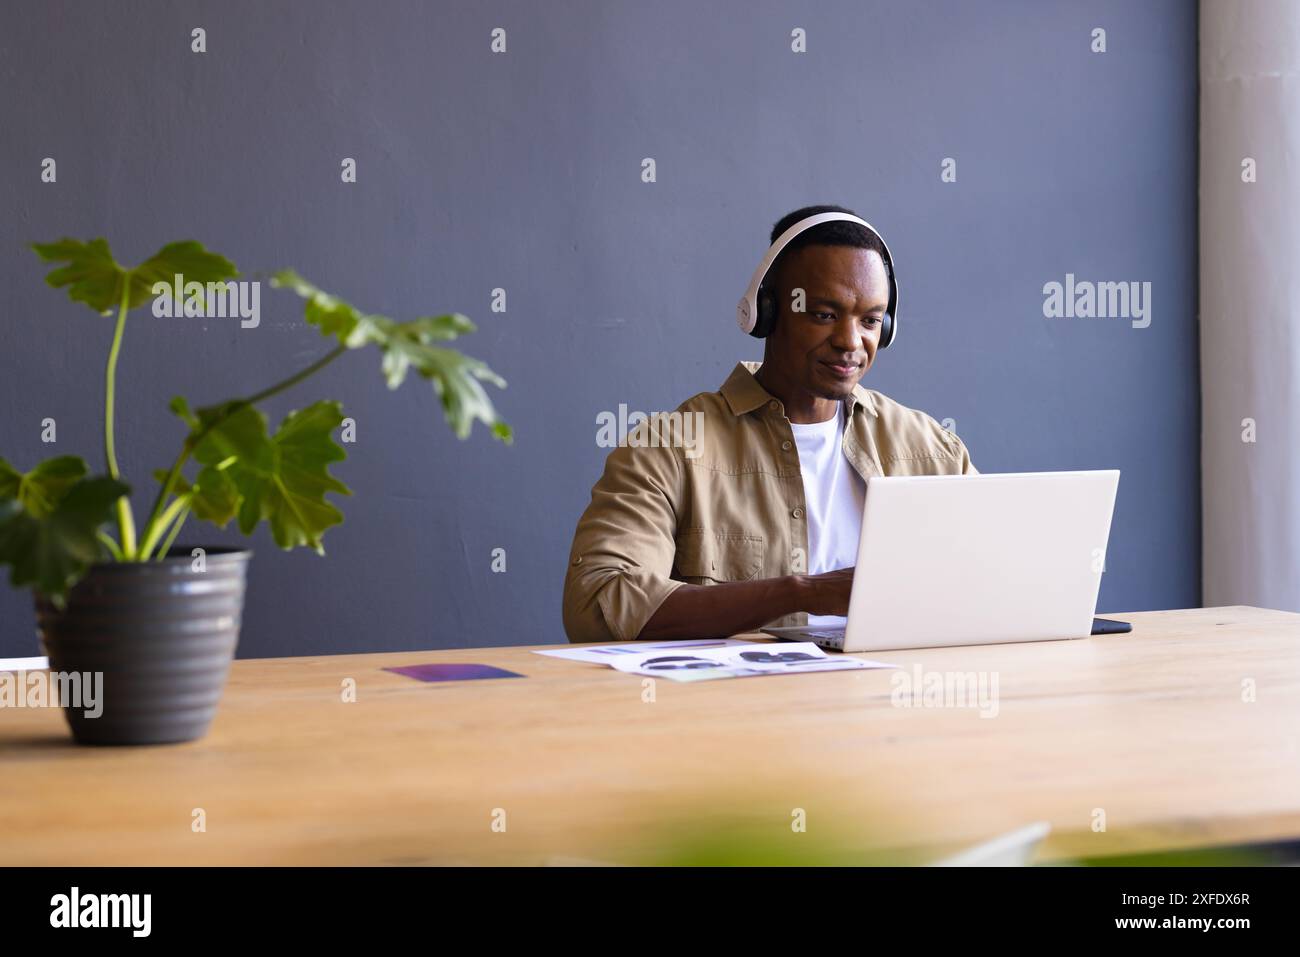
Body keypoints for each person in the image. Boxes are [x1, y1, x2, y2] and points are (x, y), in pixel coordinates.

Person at [562, 204, 977, 643]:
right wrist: (803, 593)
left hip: (894, 698)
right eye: (823, 314)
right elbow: (596, 604)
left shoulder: (931, 450)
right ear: (767, 313)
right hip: (741, 706)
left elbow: (997, 576)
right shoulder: (668, 448)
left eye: (871, 320)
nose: (851, 342)